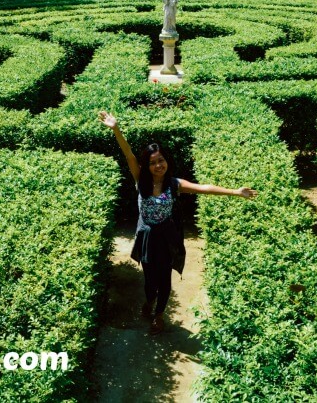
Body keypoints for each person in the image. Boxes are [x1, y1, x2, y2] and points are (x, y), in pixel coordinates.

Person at [99, 110, 257, 335]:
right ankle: (149, 300)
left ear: (166, 161)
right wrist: (116, 129)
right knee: (149, 279)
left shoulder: (174, 184)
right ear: (147, 165)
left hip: (165, 236)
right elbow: (128, 155)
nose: (158, 165)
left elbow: (204, 188)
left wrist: (235, 192)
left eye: (161, 160)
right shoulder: (140, 179)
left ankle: (159, 314)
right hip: (147, 236)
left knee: (164, 279)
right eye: (153, 162)